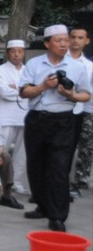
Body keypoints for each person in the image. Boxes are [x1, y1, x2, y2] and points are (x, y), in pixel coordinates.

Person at [19, 24, 91, 232]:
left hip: (63, 120)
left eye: (65, 40)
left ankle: (58, 216)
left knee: (59, 167)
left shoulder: (77, 67)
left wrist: (70, 95)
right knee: (36, 165)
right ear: (47, 43)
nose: (63, 44)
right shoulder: (34, 64)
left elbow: (86, 94)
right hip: (37, 119)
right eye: (58, 41)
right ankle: (42, 205)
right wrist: (43, 86)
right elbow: (23, 92)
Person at [0, 39, 30, 197]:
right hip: (5, 116)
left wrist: (16, 87)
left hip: (25, 115)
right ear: (8, 53)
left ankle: (17, 182)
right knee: (1, 150)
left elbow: (35, 90)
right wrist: (24, 89)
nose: (16, 54)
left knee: (22, 152)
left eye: (20, 51)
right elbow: (3, 92)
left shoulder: (29, 70)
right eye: (13, 51)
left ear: (23, 53)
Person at [68, 26, 93, 199]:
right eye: (73, 37)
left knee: (86, 147)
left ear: (87, 41)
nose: (76, 41)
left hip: (87, 109)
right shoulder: (60, 61)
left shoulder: (89, 66)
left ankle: (79, 180)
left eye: (80, 37)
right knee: (64, 147)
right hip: (64, 109)